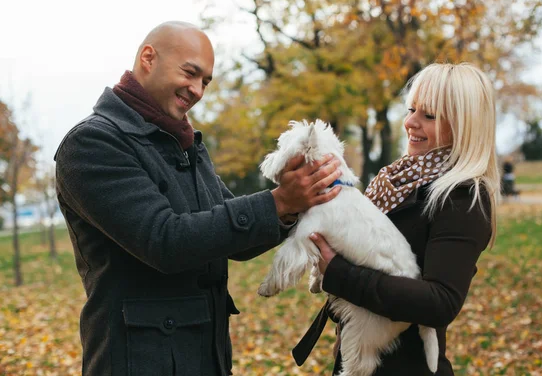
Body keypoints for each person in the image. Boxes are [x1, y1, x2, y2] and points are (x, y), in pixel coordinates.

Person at [54, 21, 341, 376]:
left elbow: (234, 238)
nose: (198, 90)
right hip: (137, 362)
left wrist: (294, 203)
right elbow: (164, 241)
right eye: (190, 73)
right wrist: (279, 201)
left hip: (207, 356)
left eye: (205, 81)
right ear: (148, 58)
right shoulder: (92, 144)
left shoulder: (184, 142)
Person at [305, 63, 500, 375]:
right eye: (411, 109)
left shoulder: (462, 198)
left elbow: (441, 302)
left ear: (464, 125)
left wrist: (339, 273)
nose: (410, 122)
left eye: (429, 115)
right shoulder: (396, 181)